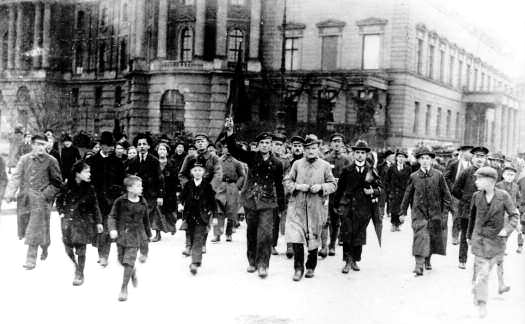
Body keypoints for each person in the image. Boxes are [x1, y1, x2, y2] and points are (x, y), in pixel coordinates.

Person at [225, 118, 285, 278]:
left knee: (265, 234)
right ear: (258, 145)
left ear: (272, 145)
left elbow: (279, 185)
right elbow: (234, 149)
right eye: (262, 143)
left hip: (268, 201)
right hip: (251, 200)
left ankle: (264, 264)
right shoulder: (251, 157)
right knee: (251, 232)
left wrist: (281, 206)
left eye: (268, 142)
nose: (265, 145)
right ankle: (252, 261)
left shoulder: (277, 164)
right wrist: (230, 132)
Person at [4, 134, 63, 269]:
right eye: (38, 144)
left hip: (41, 202)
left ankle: (31, 258)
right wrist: (9, 193)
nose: (41, 147)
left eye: (43, 144)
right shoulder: (24, 159)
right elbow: (16, 177)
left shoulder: (51, 161)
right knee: (27, 228)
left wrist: (44, 195)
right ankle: (45, 245)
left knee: (34, 228)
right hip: (25, 199)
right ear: (32, 145)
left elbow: (57, 183)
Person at [467, 167, 519, 318]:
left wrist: (507, 229)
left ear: (489, 181)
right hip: (479, 240)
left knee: (482, 273)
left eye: (478, 179)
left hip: (496, 242)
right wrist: (470, 236)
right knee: (482, 273)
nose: (476, 182)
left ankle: (477, 290)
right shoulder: (476, 196)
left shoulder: (503, 196)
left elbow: (514, 215)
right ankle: (482, 304)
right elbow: (472, 216)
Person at [284, 135, 336, 281]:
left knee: (313, 238)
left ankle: (311, 267)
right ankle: (298, 268)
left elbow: (333, 184)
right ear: (304, 150)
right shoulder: (297, 164)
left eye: (313, 148)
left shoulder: (325, 166)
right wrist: (297, 186)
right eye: (307, 149)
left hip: (316, 208)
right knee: (297, 238)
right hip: (298, 207)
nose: (311, 151)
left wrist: (321, 187)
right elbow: (287, 180)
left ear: (318, 149)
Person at [399, 147, 452, 276]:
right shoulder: (414, 176)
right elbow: (407, 195)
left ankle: (427, 259)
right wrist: (402, 212)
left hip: (435, 213)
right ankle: (418, 265)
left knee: (432, 237)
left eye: (427, 158)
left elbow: (447, 197)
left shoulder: (438, 175)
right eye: (422, 158)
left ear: (432, 160)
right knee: (420, 236)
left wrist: (444, 214)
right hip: (419, 213)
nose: (425, 161)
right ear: (418, 160)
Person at [334, 140, 382, 273]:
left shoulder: (371, 171)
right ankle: (347, 261)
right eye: (357, 152)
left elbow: (381, 188)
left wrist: (373, 191)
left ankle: (355, 259)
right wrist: (336, 204)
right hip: (348, 207)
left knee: (359, 234)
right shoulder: (347, 170)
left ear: (367, 155)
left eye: (362, 153)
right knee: (347, 233)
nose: (360, 155)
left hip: (364, 208)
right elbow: (340, 189)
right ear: (354, 154)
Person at [55, 161, 103, 286]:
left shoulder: (90, 188)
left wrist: (99, 222)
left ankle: (80, 273)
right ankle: (76, 265)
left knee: (81, 247)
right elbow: (59, 201)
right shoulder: (66, 186)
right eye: (86, 172)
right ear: (77, 173)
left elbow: (95, 205)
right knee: (68, 248)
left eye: (89, 171)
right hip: (68, 221)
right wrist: (61, 213)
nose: (89, 174)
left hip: (83, 221)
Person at [108, 175, 152, 302]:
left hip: (136, 235)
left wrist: (147, 237)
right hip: (122, 235)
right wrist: (112, 229)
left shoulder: (143, 202)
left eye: (141, 185)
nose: (141, 188)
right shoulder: (120, 201)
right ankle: (132, 272)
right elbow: (112, 216)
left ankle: (123, 288)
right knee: (121, 260)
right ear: (129, 188)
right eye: (138, 186)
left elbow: (146, 220)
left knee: (129, 261)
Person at [86, 131, 125, 267]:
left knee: (106, 228)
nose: (110, 148)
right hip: (95, 200)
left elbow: (122, 181)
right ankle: (101, 252)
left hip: (111, 201)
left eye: (111, 146)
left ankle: (103, 255)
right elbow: (87, 181)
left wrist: (117, 193)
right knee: (98, 227)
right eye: (107, 145)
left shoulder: (118, 162)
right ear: (101, 146)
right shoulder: (91, 161)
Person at [179, 133, 222, 255]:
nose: (200, 143)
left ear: (208, 143)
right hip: (191, 194)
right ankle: (188, 245)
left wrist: (210, 189)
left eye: (202, 141)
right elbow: (181, 174)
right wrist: (189, 187)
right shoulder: (190, 158)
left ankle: (202, 243)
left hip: (207, 193)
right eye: (197, 141)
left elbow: (218, 174)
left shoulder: (213, 158)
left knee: (204, 218)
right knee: (188, 219)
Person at [126, 133, 164, 262]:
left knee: (146, 217)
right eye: (139, 144)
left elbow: (160, 179)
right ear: (136, 147)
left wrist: (160, 195)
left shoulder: (154, 161)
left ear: (148, 146)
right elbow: (129, 178)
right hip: (136, 194)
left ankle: (145, 242)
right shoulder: (132, 161)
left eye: (144, 144)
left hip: (150, 194)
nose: (141, 147)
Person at [178, 161, 218, 275]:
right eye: (195, 170)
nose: (197, 172)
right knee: (190, 235)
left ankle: (195, 262)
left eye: (200, 170)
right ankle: (191, 251)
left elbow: (212, 202)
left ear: (204, 172)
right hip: (189, 215)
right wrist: (180, 204)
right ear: (191, 172)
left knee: (198, 238)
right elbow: (181, 197)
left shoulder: (207, 185)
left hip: (202, 216)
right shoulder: (188, 184)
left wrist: (214, 216)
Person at [452, 146, 488, 269]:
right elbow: (455, 189)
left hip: (483, 210)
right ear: (473, 157)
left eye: (482, 157)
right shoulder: (466, 172)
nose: (479, 159)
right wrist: (466, 199)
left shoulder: (489, 173)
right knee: (465, 234)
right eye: (477, 156)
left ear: (485, 159)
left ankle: (480, 261)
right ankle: (462, 260)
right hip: (467, 209)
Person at [321, 133, 352, 257]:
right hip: (327, 193)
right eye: (334, 141)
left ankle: (332, 245)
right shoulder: (325, 159)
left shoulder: (347, 160)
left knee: (336, 220)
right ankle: (323, 246)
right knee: (325, 219)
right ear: (331, 144)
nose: (337, 143)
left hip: (340, 194)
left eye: (339, 141)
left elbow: (350, 176)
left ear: (342, 144)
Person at [494, 166, 522, 292]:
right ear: (503, 175)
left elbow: (518, 198)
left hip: (512, 214)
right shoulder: (498, 185)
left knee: (518, 230)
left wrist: (517, 209)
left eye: (512, 175)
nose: (510, 176)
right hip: (500, 215)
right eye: (508, 174)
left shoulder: (516, 186)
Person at [212, 144, 246, 242]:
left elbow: (242, 175)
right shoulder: (217, 161)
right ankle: (217, 234)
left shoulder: (237, 162)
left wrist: (237, 186)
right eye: (225, 147)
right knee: (218, 210)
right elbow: (213, 173)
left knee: (231, 211)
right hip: (220, 186)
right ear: (222, 149)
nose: (227, 150)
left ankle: (229, 233)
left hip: (232, 187)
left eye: (229, 148)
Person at [444, 145, 473, 245]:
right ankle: (455, 236)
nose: (471, 154)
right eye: (470, 152)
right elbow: (446, 178)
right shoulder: (453, 164)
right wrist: (453, 189)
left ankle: (465, 236)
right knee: (456, 215)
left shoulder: (472, 165)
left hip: (467, 196)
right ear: (463, 153)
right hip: (455, 195)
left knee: (466, 215)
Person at [150, 142, 177, 242]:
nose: (162, 151)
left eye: (164, 149)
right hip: (157, 191)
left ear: (167, 152)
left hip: (170, 193)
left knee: (170, 214)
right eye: (160, 149)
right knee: (157, 213)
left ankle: (171, 226)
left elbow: (175, 179)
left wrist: (177, 191)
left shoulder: (172, 164)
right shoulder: (153, 163)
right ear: (157, 151)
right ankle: (157, 234)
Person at [271, 133, 290, 255]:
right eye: (276, 144)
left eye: (280, 145)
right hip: (265, 193)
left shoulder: (285, 161)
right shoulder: (266, 157)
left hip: (279, 193)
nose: (278, 147)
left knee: (278, 219)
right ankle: (269, 244)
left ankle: (275, 245)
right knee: (270, 220)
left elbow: (287, 178)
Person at [386, 150, 412, 232]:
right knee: (394, 208)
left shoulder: (408, 169)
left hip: (404, 192)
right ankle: (394, 224)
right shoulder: (391, 168)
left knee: (402, 207)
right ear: (396, 158)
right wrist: (389, 190)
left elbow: (410, 180)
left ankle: (398, 224)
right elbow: (387, 180)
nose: (401, 159)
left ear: (405, 159)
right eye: (399, 157)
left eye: (403, 157)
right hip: (394, 191)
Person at [517, 174, 525, 253]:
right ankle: (520, 245)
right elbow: (516, 191)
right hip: (523, 207)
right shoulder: (522, 180)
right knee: (521, 227)